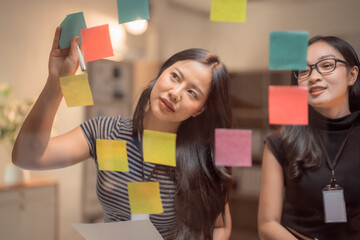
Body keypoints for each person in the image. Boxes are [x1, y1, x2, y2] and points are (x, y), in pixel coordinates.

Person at [12, 27, 233, 240]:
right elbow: (26, 157)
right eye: (175, 76)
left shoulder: (200, 158)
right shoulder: (107, 133)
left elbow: (220, 227)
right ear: (161, 73)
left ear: (201, 109)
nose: (175, 93)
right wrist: (56, 82)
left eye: (192, 92)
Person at [258, 35, 360, 240]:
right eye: (304, 70)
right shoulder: (280, 142)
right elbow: (267, 225)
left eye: (326, 65)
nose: (313, 76)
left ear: (352, 75)